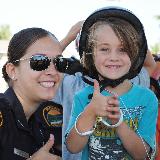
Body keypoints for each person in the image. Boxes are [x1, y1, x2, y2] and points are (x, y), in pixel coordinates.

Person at [54, 16, 156, 160]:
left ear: (135, 54)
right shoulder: (80, 94)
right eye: (104, 49)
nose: (113, 57)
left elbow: (144, 156)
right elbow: (72, 147)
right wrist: (90, 112)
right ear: (90, 54)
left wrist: (119, 123)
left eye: (123, 49)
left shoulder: (146, 97)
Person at [0, 27, 63, 160]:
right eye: (39, 61)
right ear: (12, 71)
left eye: (59, 62)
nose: (53, 71)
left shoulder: (43, 118)